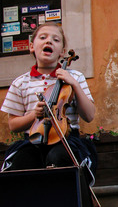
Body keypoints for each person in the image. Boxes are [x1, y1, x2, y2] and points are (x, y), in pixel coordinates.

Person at [1, 22, 97, 174]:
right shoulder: (20, 83)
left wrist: (74, 85)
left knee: (59, 157)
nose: (49, 41)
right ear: (32, 46)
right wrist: (34, 115)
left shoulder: (75, 77)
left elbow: (89, 115)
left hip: (65, 138)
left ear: (62, 52)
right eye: (43, 37)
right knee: (22, 161)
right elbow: (13, 125)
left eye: (56, 40)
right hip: (33, 139)